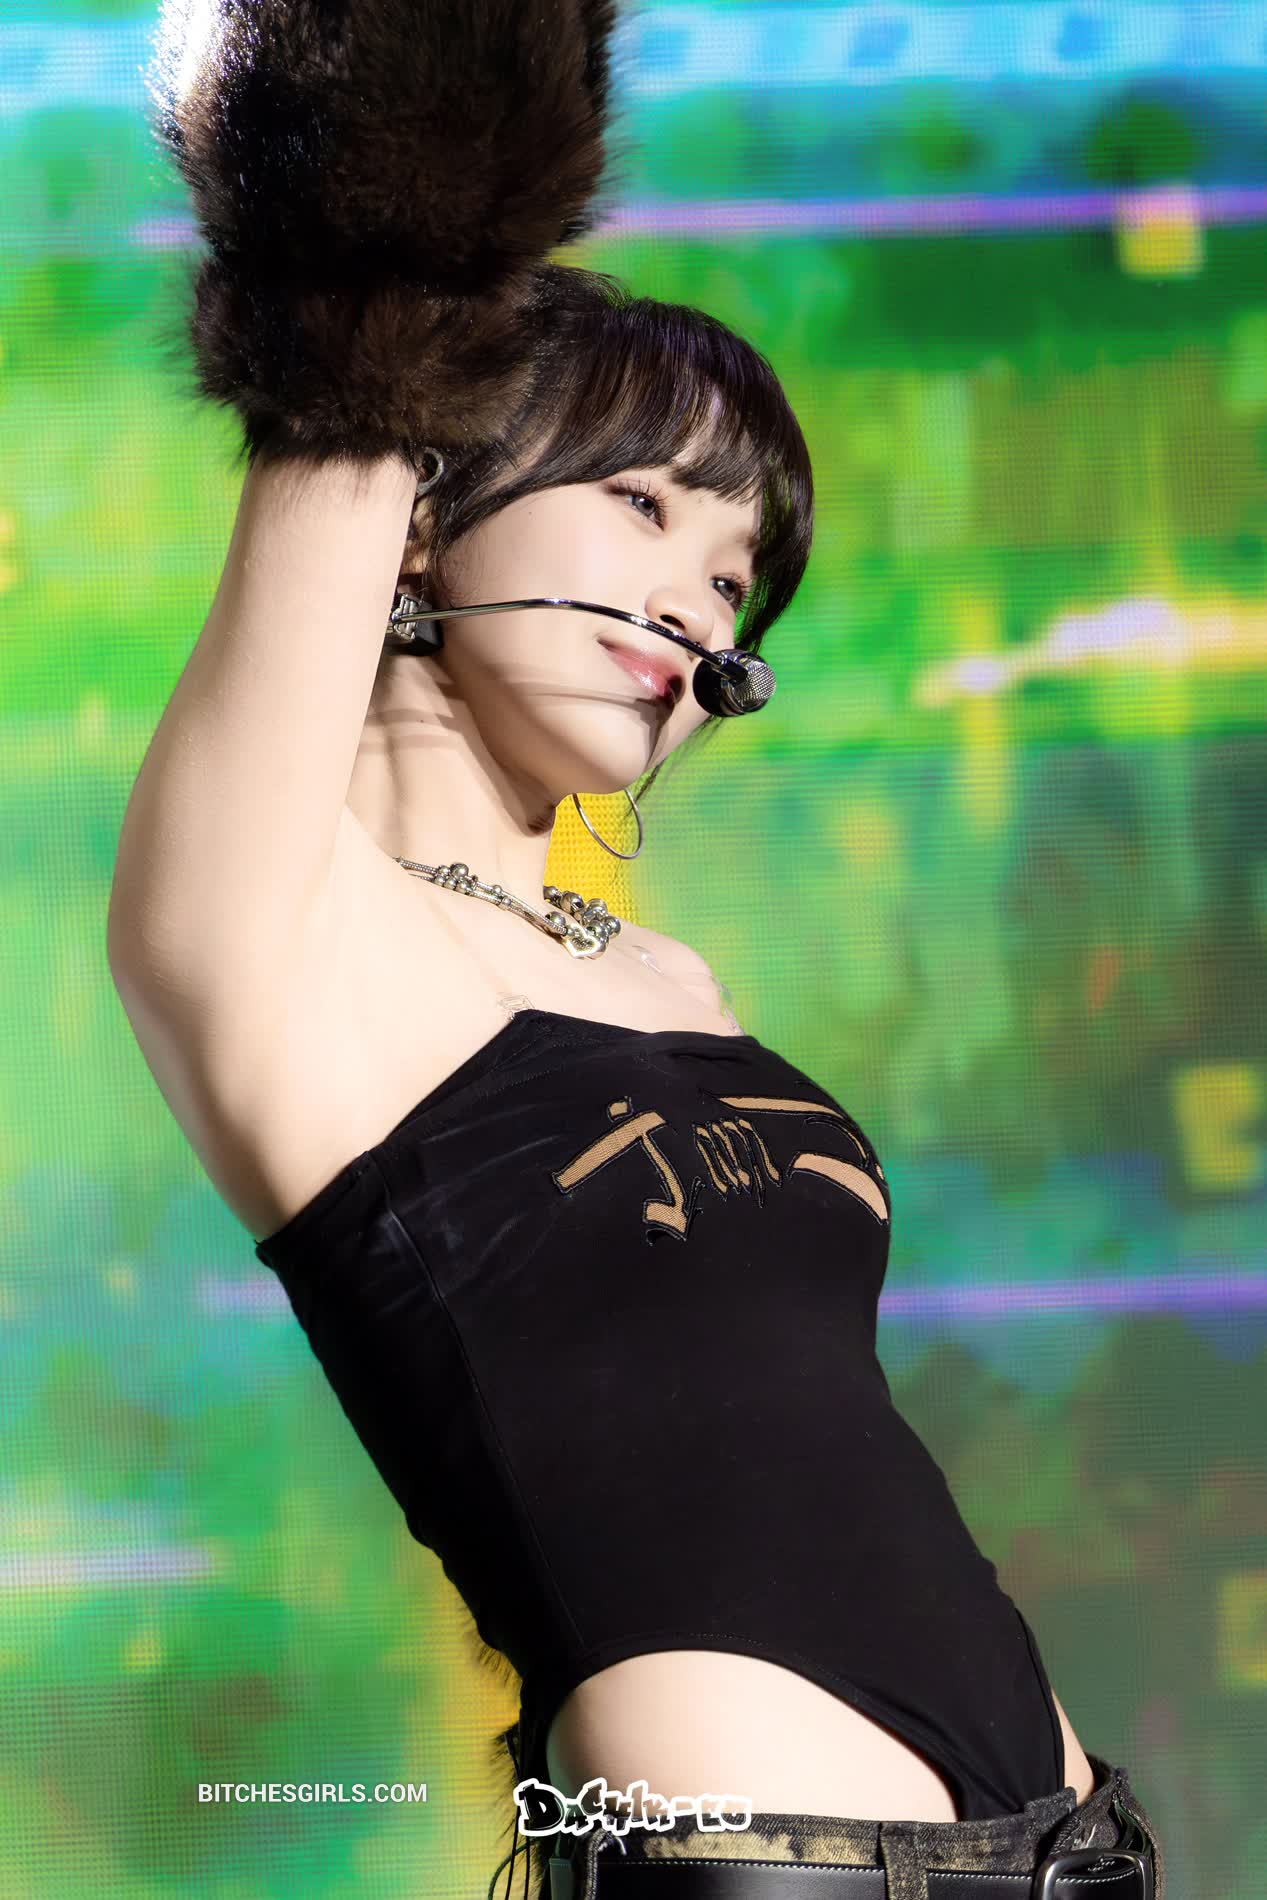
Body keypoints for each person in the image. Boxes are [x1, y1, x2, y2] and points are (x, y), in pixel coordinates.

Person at [109, 5, 1165, 1898]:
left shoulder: (675, 986)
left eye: (738, 574)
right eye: (644, 503)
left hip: (1074, 1840)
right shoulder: (275, 926)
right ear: (423, 513)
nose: (697, 600)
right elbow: (366, 316)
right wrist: (431, 126)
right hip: (773, 1850)